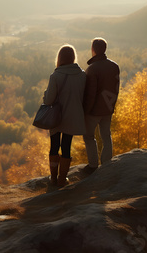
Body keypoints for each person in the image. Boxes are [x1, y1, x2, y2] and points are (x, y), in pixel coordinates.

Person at [43, 44, 86, 188]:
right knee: (66, 146)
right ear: (73, 57)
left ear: (59, 58)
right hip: (72, 116)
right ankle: (63, 179)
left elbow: (48, 100)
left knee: (54, 146)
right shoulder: (82, 75)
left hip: (56, 117)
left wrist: (45, 93)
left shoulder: (55, 75)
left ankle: (53, 179)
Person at [82, 37, 120, 173]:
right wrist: (112, 106)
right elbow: (116, 89)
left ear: (93, 50)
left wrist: (86, 111)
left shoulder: (92, 69)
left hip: (94, 110)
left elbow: (90, 94)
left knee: (88, 136)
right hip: (108, 108)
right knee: (106, 135)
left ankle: (93, 165)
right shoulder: (114, 66)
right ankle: (107, 163)